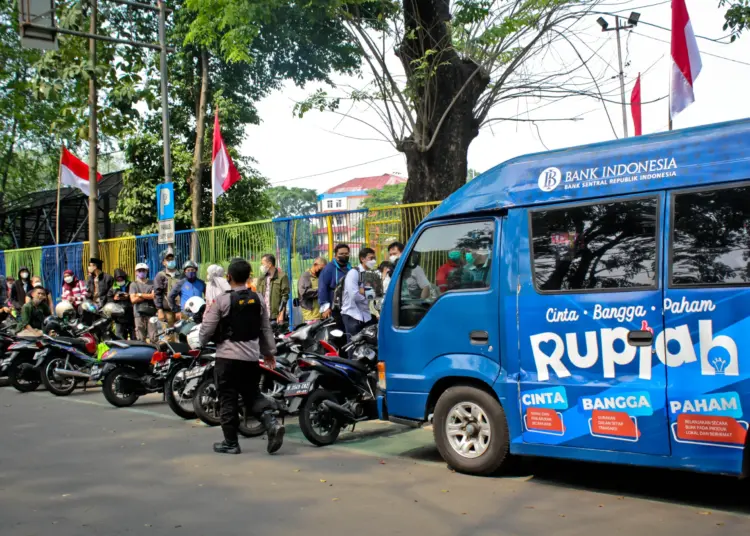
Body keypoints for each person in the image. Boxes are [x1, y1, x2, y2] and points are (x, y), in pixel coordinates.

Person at [198, 258, 284, 455]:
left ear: (228, 277)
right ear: (248, 277)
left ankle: (231, 443)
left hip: (226, 359)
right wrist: (269, 353)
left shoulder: (222, 301)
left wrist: (201, 343)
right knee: (252, 395)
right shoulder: (259, 299)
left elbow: (206, 330)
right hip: (251, 359)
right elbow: (265, 328)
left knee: (227, 398)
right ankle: (271, 422)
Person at [341, 248, 377, 342]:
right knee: (354, 346)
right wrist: (367, 292)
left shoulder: (371, 274)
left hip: (366, 315)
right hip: (352, 315)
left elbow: (375, 294)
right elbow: (354, 295)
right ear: (362, 259)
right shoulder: (353, 273)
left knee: (367, 346)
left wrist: (363, 290)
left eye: (374, 258)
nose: (373, 261)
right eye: (371, 258)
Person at [318, 244, 351, 319]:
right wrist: (325, 307)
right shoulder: (328, 269)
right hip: (334, 308)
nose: (344, 255)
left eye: (346, 253)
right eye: (341, 254)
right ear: (335, 255)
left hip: (348, 306)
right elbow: (322, 288)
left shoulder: (350, 268)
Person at [255, 254, 290, 324]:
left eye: (263, 263)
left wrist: (281, 314)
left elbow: (285, 296)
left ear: (270, 264)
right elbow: (258, 295)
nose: (261, 266)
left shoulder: (282, 277)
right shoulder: (261, 278)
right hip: (263, 315)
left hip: (276, 316)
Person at [130, 263, 157, 342]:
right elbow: (133, 300)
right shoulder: (133, 284)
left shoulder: (152, 283)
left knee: (154, 337)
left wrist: (140, 294)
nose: (141, 272)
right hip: (138, 313)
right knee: (140, 337)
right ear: (136, 272)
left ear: (147, 271)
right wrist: (147, 296)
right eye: (139, 270)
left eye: (143, 270)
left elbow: (153, 296)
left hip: (151, 312)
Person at [154, 250, 180, 328]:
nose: (171, 261)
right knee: (169, 335)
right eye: (168, 260)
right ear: (163, 262)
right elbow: (157, 293)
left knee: (183, 334)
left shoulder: (181, 274)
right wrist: (159, 309)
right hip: (167, 311)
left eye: (172, 259)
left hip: (181, 310)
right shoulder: (160, 275)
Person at [108, 269, 135, 340]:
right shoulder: (112, 288)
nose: (120, 281)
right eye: (118, 279)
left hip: (131, 315)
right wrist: (114, 298)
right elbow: (108, 300)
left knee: (134, 337)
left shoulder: (131, 285)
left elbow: (135, 296)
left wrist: (128, 296)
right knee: (120, 337)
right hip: (119, 317)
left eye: (121, 279)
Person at [297, 257, 326, 322]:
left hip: (321, 314)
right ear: (315, 265)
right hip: (310, 315)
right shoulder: (305, 276)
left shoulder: (320, 277)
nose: (322, 271)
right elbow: (304, 292)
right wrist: (321, 291)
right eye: (321, 268)